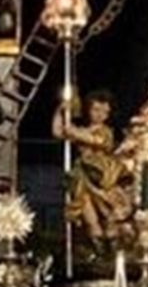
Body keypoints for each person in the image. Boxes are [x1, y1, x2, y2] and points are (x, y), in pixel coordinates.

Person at [53, 90, 133, 254]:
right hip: (83, 176)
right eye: (96, 110)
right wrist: (61, 111)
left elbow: (95, 140)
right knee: (88, 214)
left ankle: (111, 246)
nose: (100, 115)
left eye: (104, 111)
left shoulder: (105, 132)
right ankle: (96, 248)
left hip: (101, 174)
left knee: (111, 212)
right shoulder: (82, 129)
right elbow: (58, 132)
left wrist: (73, 131)